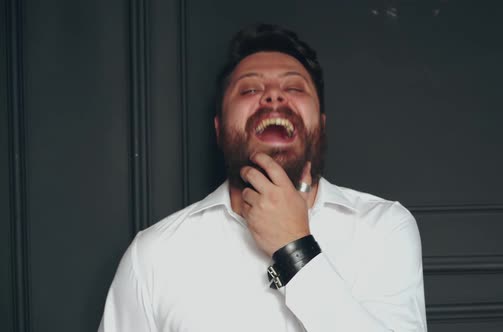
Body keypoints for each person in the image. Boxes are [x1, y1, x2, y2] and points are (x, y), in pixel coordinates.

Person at [98, 23, 427, 332]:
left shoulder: (384, 228)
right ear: (220, 128)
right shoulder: (153, 255)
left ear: (321, 124)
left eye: (295, 87)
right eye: (250, 89)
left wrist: (294, 249)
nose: (273, 96)